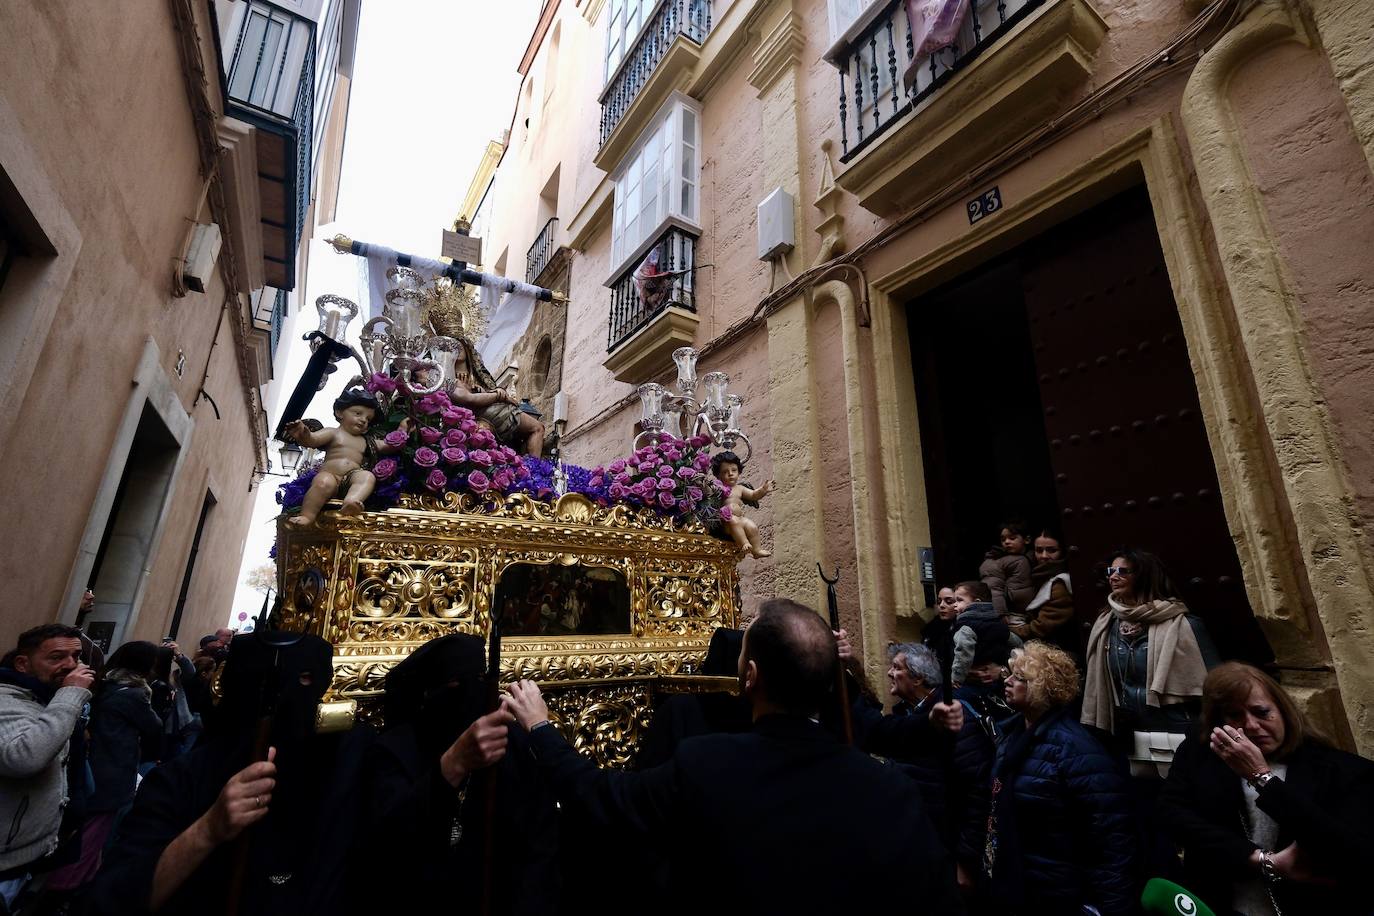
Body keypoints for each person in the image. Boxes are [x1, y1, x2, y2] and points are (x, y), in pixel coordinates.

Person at [503, 598, 966, 914]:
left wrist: (540, 726)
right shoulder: (891, 789)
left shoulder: (707, 765)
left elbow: (599, 795)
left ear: (749, 677)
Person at [88, 632, 369, 916]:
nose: (286, 695)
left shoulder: (346, 768)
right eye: (259, 681)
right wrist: (209, 829)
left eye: (306, 679)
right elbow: (117, 896)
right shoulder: (182, 779)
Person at [352, 634, 557, 915]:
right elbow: (386, 844)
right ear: (429, 692)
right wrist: (450, 767)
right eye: (455, 684)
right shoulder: (395, 750)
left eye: (479, 680)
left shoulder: (510, 742)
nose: (469, 692)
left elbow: (539, 840)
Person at [1158, 662, 1374, 914]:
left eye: (1261, 712)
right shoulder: (1200, 754)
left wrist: (1262, 778)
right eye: (1235, 715)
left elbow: (1348, 851)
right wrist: (1259, 860)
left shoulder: (1339, 770)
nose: (1250, 725)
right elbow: (1172, 815)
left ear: (1283, 710)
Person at [983, 642, 1137, 915]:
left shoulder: (1075, 749)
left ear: (1043, 687)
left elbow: (1108, 832)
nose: (1006, 681)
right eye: (1009, 674)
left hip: (1060, 893)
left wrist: (1108, 906)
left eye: (1019, 678)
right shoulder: (1011, 737)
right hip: (1022, 884)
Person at [840, 639, 994, 899]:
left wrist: (965, 861)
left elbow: (977, 792)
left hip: (949, 848)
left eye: (897, 668)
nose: (889, 672)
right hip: (925, 842)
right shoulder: (908, 714)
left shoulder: (953, 715)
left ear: (918, 678)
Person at [1082, 548, 1221, 772]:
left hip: (1177, 727)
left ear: (1144, 575)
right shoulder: (1105, 625)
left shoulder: (1183, 625)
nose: (1113, 576)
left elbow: (1217, 685)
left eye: (1122, 571)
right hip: (1129, 729)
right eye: (1110, 570)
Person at [0, 625, 94, 909]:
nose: (70, 665)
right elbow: (25, 757)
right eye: (56, 657)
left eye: (75, 656)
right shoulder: (6, 699)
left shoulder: (44, 698)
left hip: (28, 858)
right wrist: (71, 696)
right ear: (22, 664)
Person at [283, 388, 409, 526]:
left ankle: (351, 501)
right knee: (323, 483)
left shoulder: (367, 441)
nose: (363, 420)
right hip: (330, 474)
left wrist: (402, 429)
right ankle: (307, 516)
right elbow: (313, 440)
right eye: (358, 413)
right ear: (340, 412)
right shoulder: (333, 433)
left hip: (351, 477)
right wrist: (304, 433)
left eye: (368, 419)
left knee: (367, 476)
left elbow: (387, 445)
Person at [1008, 528, 1077, 655]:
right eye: (1039, 550)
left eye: (1052, 550)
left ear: (1062, 551)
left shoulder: (1060, 584)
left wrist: (1008, 630)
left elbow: (1041, 627)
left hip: (1058, 652)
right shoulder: (1038, 575)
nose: (1044, 556)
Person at [950, 580, 1015, 692]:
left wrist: (957, 677)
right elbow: (1016, 643)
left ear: (977, 603)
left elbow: (963, 651)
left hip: (974, 682)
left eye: (959, 600)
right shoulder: (999, 623)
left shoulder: (966, 626)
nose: (954, 604)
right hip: (997, 681)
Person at [710, 451, 774, 559]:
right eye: (725, 471)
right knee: (734, 521)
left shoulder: (740, 488)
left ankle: (756, 550)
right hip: (726, 522)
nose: (730, 474)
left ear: (739, 472)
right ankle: (744, 543)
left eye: (734, 470)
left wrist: (763, 490)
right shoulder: (718, 489)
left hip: (740, 518)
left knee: (751, 526)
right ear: (718, 475)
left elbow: (753, 495)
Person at [979, 518, 1034, 619]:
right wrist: (1001, 614)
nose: (1007, 542)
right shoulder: (996, 561)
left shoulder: (1033, 557)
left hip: (1030, 612)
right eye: (1003, 539)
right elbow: (993, 588)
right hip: (1012, 613)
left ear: (1027, 540)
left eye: (1012, 538)